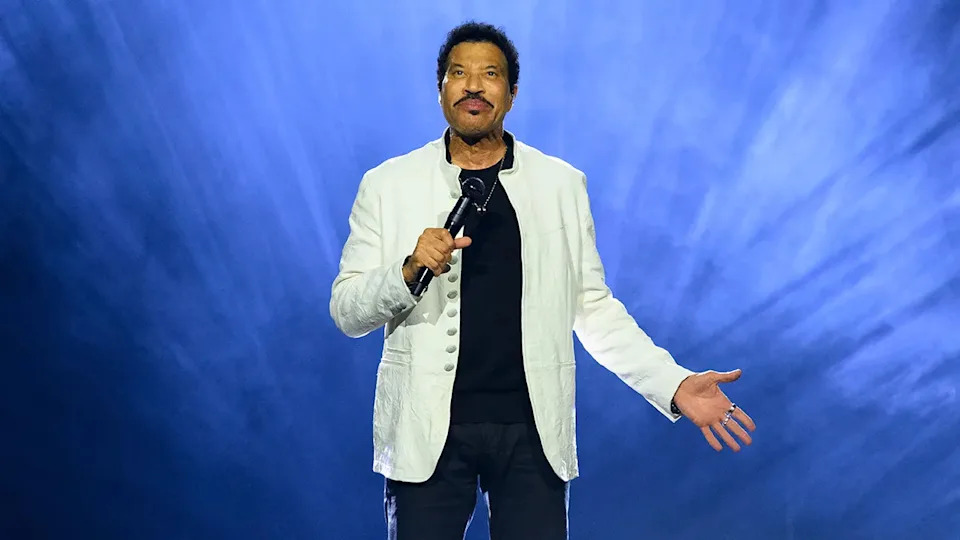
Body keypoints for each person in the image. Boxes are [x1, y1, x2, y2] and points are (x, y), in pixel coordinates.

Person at [329, 20, 756, 540]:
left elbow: (593, 308)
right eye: (458, 73)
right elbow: (347, 310)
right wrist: (408, 269)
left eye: (490, 74)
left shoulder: (560, 184)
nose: (473, 86)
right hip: (424, 432)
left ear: (512, 94)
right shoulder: (388, 184)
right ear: (439, 89)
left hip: (532, 435)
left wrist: (673, 382)